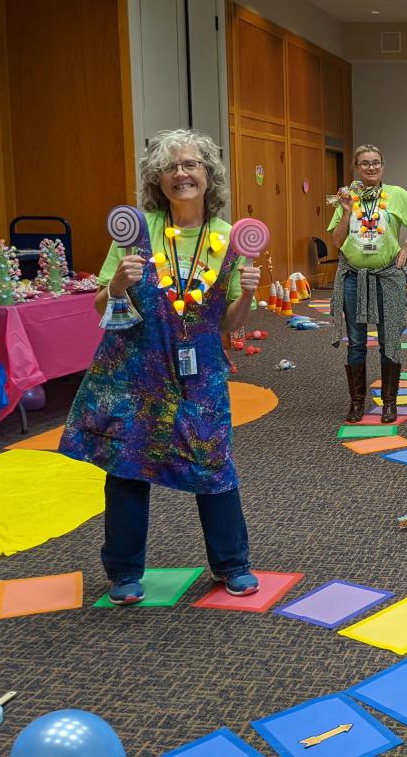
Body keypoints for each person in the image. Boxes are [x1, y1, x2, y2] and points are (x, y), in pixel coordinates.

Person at [59, 130, 261, 606]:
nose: (181, 174)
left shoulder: (228, 238)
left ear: (208, 175)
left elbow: (230, 324)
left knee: (212, 461)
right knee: (126, 466)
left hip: (200, 371)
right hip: (134, 368)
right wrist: (116, 285)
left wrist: (248, 291)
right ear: (157, 179)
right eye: (170, 167)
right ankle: (124, 571)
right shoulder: (136, 230)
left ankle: (233, 564)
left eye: (191, 164)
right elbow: (98, 307)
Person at [329, 145, 407, 423]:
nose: (370, 168)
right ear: (356, 167)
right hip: (354, 278)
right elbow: (337, 242)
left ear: (383, 166)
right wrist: (345, 212)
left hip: (387, 277)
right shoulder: (347, 196)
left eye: (376, 163)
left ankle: (390, 403)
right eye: (364, 163)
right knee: (356, 342)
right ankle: (356, 403)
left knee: (389, 340)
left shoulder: (397, 195)